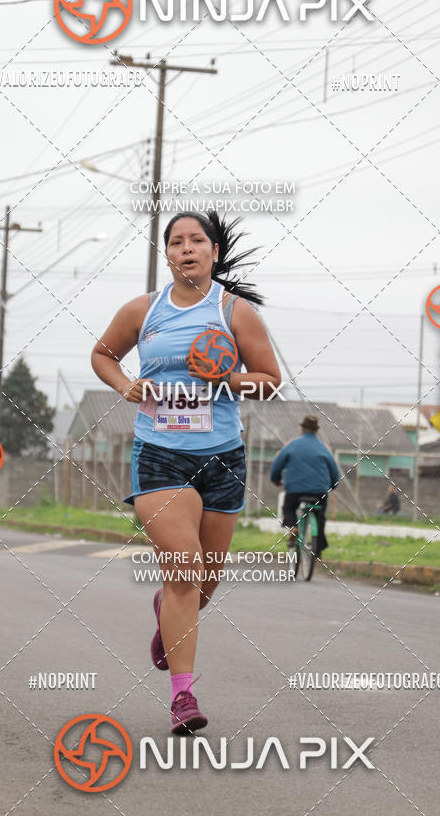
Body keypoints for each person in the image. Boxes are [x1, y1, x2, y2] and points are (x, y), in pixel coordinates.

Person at [91, 210, 281, 734]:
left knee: (203, 584)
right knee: (183, 568)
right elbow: (103, 355)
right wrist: (125, 384)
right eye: (176, 242)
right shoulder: (142, 310)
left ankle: (167, 612)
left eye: (197, 240)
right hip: (160, 454)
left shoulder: (234, 312)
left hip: (222, 457)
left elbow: (269, 381)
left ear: (214, 252)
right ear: (168, 254)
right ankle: (183, 696)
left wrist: (227, 378)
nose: (187, 249)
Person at [270, 415, 339, 557]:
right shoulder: (324, 448)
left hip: (295, 491)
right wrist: (332, 485)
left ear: (302, 429)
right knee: (319, 517)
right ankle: (317, 551)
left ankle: (293, 527)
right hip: (319, 492)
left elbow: (277, 465)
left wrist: (276, 480)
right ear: (316, 430)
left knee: (289, 508)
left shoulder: (291, 445)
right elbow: (334, 471)